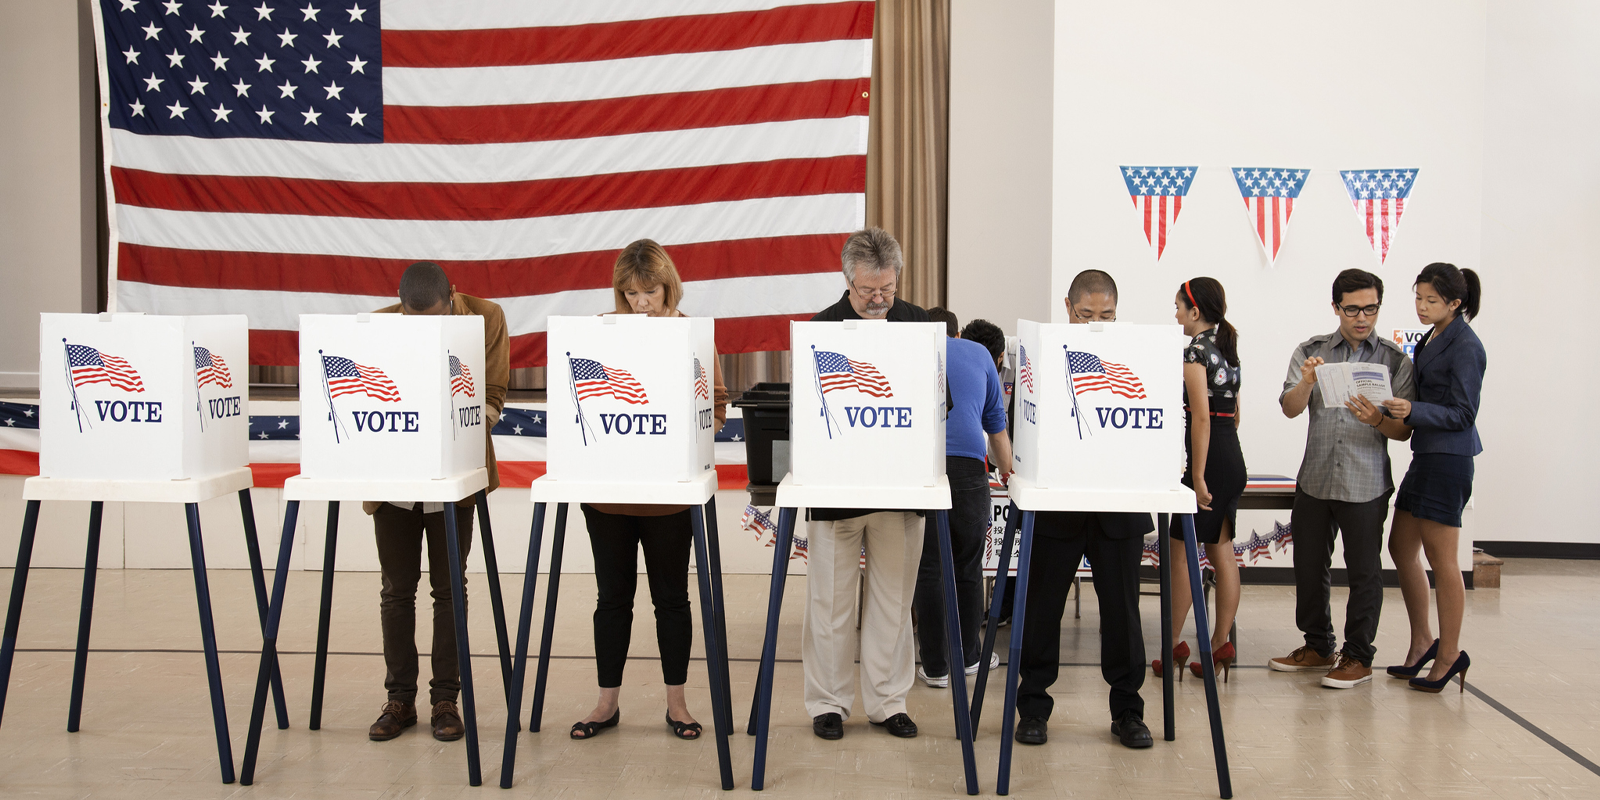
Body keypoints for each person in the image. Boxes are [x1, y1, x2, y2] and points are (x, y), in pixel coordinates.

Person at [568, 239, 730, 740]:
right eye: (631, 292)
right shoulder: (603, 331)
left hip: (668, 497)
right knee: (611, 599)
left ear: (669, 286)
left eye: (651, 291)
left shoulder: (691, 333)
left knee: (671, 600)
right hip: (608, 496)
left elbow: (718, 403)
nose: (642, 302)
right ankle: (605, 705)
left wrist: (696, 429)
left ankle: (677, 705)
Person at [364, 262, 509, 742]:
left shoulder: (486, 317)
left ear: (451, 295)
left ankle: (446, 698)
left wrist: (451, 433)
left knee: (450, 589)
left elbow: (493, 396)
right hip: (396, 481)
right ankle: (399, 700)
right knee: (395, 590)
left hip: (454, 477)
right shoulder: (378, 324)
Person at [1015, 269, 1154, 750]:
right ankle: (1032, 708)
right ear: (1068, 307)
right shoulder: (1044, 354)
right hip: (1059, 505)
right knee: (1041, 610)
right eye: (1087, 314)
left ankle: (1128, 712)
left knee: (1122, 614)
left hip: (1118, 506)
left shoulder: (1137, 356)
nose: (1097, 323)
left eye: (1108, 315)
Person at [803, 227, 929, 740]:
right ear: (846, 280)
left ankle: (887, 702)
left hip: (900, 489)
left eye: (887, 290)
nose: (878, 301)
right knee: (830, 604)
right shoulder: (822, 329)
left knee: (893, 604)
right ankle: (828, 703)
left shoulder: (919, 325)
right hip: (836, 489)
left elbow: (934, 406)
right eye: (867, 291)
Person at [1270, 269, 1416, 689]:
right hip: (1315, 477)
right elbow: (1290, 408)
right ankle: (1318, 646)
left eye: (1370, 308)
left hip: (1365, 482)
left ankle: (1358, 655)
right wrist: (1307, 381)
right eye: (1352, 309)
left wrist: (1378, 420)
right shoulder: (1311, 351)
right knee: (1308, 565)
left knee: (1365, 571)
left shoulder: (1394, 359)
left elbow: (1403, 431)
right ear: (1336, 308)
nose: (1362, 317)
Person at [1383, 262, 1485, 693]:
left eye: (1431, 300)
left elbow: (1464, 413)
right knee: (1400, 546)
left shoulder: (1466, 345)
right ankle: (1423, 639)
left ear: (1455, 303)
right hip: (1426, 455)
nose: (1422, 307)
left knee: (1444, 562)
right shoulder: (1433, 336)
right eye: (1419, 298)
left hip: (1448, 459)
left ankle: (1449, 654)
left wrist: (1414, 411)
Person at [912, 312, 1012, 688]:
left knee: (930, 568)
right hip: (971, 470)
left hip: (925, 468)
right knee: (968, 567)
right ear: (956, 331)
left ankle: (935, 667)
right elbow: (996, 429)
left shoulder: (914, 350)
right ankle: (969, 657)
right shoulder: (978, 354)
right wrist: (1008, 473)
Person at [1161, 278, 1247, 682]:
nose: (1176, 314)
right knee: (1222, 552)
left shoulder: (1195, 350)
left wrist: (1196, 473)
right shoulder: (1228, 348)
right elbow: (1234, 414)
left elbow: (1199, 416)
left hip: (1209, 462)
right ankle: (1219, 643)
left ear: (1195, 311)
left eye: (1179, 307)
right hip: (1232, 456)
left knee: (1179, 554)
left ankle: (1171, 643)